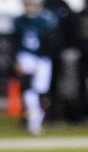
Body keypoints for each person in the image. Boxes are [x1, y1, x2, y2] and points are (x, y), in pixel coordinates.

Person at [14, 0, 61, 134]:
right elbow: (16, 42)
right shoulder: (19, 21)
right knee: (29, 90)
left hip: (42, 58)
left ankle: (38, 117)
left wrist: (43, 59)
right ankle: (34, 121)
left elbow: (51, 42)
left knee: (40, 90)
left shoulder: (45, 21)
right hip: (26, 56)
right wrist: (17, 61)